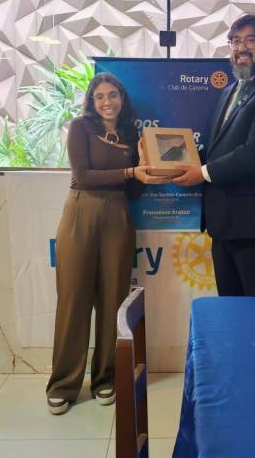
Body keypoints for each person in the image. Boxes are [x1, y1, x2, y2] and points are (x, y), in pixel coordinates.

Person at [46, 72, 167, 415]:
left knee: (113, 300)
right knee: (73, 298)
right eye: (99, 96)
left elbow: (134, 191)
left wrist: (145, 166)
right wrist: (130, 172)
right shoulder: (80, 128)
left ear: (122, 98)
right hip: (80, 212)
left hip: (118, 215)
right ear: (91, 101)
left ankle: (105, 378)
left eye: (113, 95)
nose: (107, 102)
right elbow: (82, 175)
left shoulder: (131, 135)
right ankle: (63, 385)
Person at [174, 13, 255, 296]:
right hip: (224, 223)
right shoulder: (230, 90)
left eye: (250, 40)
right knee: (230, 308)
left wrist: (202, 172)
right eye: (235, 41)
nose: (240, 48)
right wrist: (175, 159)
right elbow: (218, 147)